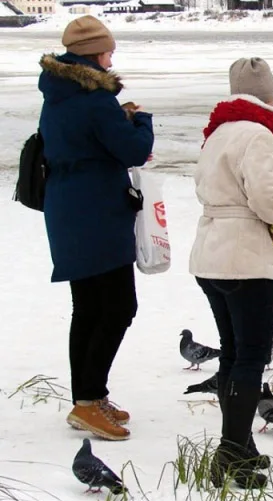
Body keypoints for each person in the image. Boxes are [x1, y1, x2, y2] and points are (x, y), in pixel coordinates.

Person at [190, 57, 273, 488]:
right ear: (268, 93)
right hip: (245, 259)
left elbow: (206, 187)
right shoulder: (259, 134)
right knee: (250, 358)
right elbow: (268, 198)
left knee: (233, 352)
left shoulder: (217, 132)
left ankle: (239, 444)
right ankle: (232, 454)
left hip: (211, 254)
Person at [38, 15, 154, 441]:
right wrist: (140, 121)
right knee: (119, 307)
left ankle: (89, 397)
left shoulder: (59, 93)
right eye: (107, 50)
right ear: (92, 54)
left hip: (68, 208)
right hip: (98, 213)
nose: (112, 56)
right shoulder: (94, 100)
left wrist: (114, 117)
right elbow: (133, 151)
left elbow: (80, 138)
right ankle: (88, 402)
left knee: (88, 307)